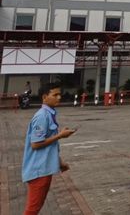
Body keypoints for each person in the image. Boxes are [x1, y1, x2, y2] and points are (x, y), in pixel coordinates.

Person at [22, 82, 76, 215]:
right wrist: (60, 136)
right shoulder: (42, 116)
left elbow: (50, 146)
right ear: (44, 97)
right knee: (32, 209)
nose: (59, 98)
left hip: (44, 169)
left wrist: (59, 162)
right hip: (38, 171)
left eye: (60, 94)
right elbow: (35, 144)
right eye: (55, 95)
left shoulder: (49, 114)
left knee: (36, 207)